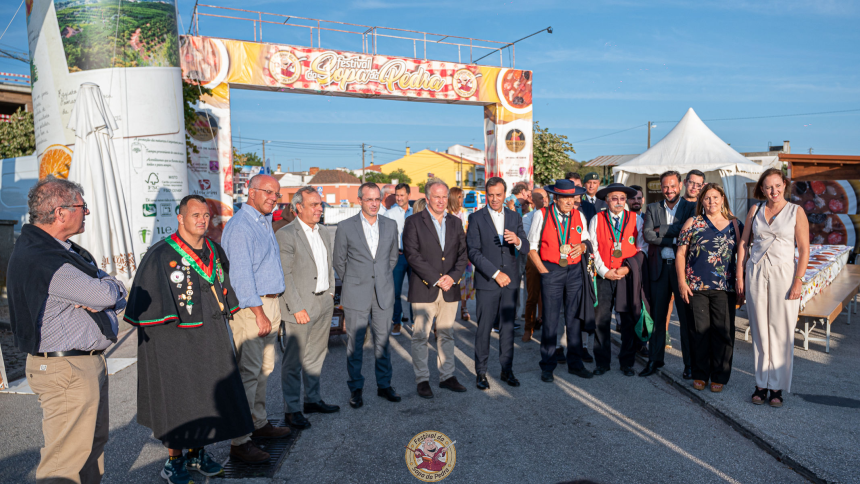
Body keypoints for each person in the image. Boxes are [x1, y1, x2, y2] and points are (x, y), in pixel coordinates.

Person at [124, 195, 257, 480]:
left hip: (211, 335)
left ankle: (197, 454)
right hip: (175, 340)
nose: (202, 220)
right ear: (180, 218)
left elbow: (223, 286)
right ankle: (174, 460)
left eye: (206, 215)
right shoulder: (160, 255)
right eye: (195, 215)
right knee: (179, 398)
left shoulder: (213, 249)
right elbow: (145, 304)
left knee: (207, 396)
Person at [8, 177, 126, 483]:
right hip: (67, 370)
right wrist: (105, 290)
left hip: (78, 366)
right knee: (64, 464)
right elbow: (108, 295)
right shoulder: (45, 259)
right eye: (81, 206)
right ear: (61, 212)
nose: (86, 212)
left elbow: (112, 291)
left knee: (89, 450)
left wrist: (106, 288)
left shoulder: (56, 250)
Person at [221, 174, 292, 448]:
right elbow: (240, 276)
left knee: (264, 368)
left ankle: (258, 423)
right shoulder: (241, 226)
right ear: (251, 192)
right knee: (249, 371)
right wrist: (259, 312)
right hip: (253, 307)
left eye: (277, 194)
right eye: (269, 192)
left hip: (268, 303)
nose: (274, 198)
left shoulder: (262, 221)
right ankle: (240, 440)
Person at [737, 168, 809, 408]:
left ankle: (776, 386)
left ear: (784, 184)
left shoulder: (796, 212)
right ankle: (761, 383)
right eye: (768, 187)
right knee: (759, 329)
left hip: (784, 274)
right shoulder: (755, 210)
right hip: (756, 272)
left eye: (777, 186)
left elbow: (804, 249)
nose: (773, 191)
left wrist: (799, 280)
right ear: (762, 188)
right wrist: (740, 274)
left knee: (781, 330)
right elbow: (744, 244)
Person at [333, 183, 401, 409]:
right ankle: (356, 389)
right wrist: (355, 280)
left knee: (383, 341)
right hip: (356, 293)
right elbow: (338, 261)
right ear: (359, 200)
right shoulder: (345, 226)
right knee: (356, 343)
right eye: (369, 199)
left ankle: (384, 386)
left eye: (377, 199)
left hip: (383, 291)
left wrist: (378, 277)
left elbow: (392, 259)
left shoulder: (390, 225)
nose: (374, 203)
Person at [278, 186, 340, 428]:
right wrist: (296, 308)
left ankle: (312, 400)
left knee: (316, 355)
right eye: (313, 205)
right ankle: (291, 410)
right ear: (298, 208)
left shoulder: (323, 232)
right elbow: (285, 274)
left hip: (323, 302)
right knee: (293, 361)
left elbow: (328, 264)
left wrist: (331, 294)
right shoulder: (286, 234)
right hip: (300, 307)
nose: (319, 208)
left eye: (320, 204)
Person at [403, 179, 469, 398]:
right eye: (436, 196)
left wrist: (453, 277)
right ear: (427, 198)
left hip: (450, 288)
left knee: (447, 333)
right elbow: (412, 255)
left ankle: (447, 376)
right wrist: (436, 278)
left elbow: (462, 254)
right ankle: (422, 379)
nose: (441, 201)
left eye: (444, 196)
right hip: (425, 288)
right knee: (420, 335)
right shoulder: (413, 222)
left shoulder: (455, 222)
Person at [528, 179, 597, 382]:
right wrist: (544, 272)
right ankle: (548, 365)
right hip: (551, 270)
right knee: (550, 319)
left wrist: (583, 247)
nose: (570, 201)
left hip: (574, 270)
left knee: (574, 319)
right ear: (556, 198)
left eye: (573, 197)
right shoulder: (541, 214)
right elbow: (532, 248)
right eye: (565, 197)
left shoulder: (579, 215)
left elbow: (587, 239)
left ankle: (575, 363)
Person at [675, 184, 740, 393]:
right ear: (701, 201)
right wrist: (682, 282)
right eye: (707, 198)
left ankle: (720, 375)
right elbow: (681, 254)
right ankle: (700, 373)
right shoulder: (692, 223)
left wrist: (742, 282)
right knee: (699, 331)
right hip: (696, 286)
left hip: (725, 287)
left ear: (722, 198)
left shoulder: (735, 224)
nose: (711, 202)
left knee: (723, 332)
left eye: (715, 197)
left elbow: (743, 256)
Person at [467, 177, 529, 389]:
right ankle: (481, 373)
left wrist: (518, 241)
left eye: (498, 195)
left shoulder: (514, 216)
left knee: (508, 328)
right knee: (484, 328)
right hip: (487, 281)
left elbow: (526, 247)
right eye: (490, 195)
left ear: (505, 195)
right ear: (486, 194)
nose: (494, 199)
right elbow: (473, 252)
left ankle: (506, 370)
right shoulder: (476, 218)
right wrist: (495, 273)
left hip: (510, 282)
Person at [640, 171, 697, 379]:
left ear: (680, 185)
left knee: (685, 320)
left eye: (673, 186)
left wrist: (661, 230)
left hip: (682, 272)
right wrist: (675, 237)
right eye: (665, 186)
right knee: (657, 319)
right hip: (660, 269)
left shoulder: (691, 207)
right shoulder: (653, 208)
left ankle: (689, 365)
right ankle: (655, 360)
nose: (669, 190)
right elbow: (647, 235)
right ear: (660, 188)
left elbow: (688, 233)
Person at [589, 183, 647, 376]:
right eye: (615, 198)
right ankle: (602, 362)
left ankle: (627, 362)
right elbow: (593, 249)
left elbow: (642, 249)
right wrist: (604, 271)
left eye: (622, 199)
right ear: (607, 200)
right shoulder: (597, 219)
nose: (619, 202)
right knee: (601, 320)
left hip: (626, 277)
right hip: (603, 276)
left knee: (628, 320)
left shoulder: (636, 219)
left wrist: (625, 268)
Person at [382, 183, 414, 334]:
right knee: (395, 291)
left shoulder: (416, 212)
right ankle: (397, 321)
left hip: (414, 256)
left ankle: (416, 321)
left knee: (415, 291)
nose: (399, 198)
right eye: (397, 195)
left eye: (402, 195)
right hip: (398, 256)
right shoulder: (389, 214)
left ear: (409, 195)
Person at [521, 188, 547, 341]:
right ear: (532, 200)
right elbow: (529, 242)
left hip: (551, 259)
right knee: (532, 295)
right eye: (540, 197)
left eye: (545, 196)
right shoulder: (527, 217)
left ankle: (543, 321)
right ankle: (528, 327)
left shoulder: (553, 215)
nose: (544, 200)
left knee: (548, 296)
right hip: (533, 259)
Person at [449, 187, 475, 322]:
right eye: (459, 197)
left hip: (464, 251)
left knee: (465, 280)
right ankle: (450, 307)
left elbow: (469, 231)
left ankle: (464, 307)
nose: (462, 199)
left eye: (462, 196)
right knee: (452, 280)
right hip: (449, 253)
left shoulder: (465, 212)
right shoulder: (446, 213)